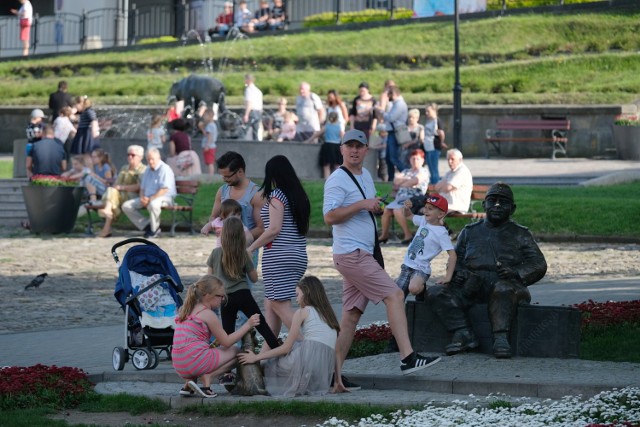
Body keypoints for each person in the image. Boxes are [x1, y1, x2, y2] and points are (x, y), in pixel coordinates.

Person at [323, 129, 441, 392]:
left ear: (366, 150)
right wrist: (361, 205)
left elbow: (363, 206)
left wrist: (373, 206)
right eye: (349, 146)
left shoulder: (364, 175)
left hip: (362, 253)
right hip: (351, 254)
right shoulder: (336, 180)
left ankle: (334, 377)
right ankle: (408, 358)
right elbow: (329, 217)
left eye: (359, 146)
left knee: (351, 317)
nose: (354, 150)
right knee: (395, 295)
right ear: (341, 149)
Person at [426, 182, 548, 359]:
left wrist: (515, 273)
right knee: (436, 292)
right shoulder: (469, 232)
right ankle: (463, 332)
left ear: (512, 209)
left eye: (503, 202)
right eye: (492, 201)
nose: (497, 205)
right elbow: (456, 260)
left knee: (503, 289)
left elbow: (538, 263)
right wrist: (458, 274)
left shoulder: (520, 234)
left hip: (507, 286)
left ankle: (500, 338)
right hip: (473, 285)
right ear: (484, 205)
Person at [238, 275, 339, 397]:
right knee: (293, 348)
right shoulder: (328, 315)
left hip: (305, 359)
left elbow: (285, 348)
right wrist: (338, 380)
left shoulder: (302, 312)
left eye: (297, 295)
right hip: (321, 366)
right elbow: (336, 351)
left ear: (306, 292)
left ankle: (247, 383)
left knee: (268, 364)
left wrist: (257, 357)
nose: (296, 300)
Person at [247, 155, 310, 338]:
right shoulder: (299, 196)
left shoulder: (277, 195)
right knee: (271, 304)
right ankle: (267, 356)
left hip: (278, 257)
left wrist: (251, 248)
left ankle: (309, 345)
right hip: (297, 255)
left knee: (278, 305)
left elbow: (274, 229)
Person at [172, 274, 261, 398]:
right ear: (207, 296)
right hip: (194, 361)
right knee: (238, 353)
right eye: (220, 296)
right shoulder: (207, 314)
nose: (223, 299)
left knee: (198, 351)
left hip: (179, 364)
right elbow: (227, 342)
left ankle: (188, 384)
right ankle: (208, 377)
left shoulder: (185, 310)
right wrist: (248, 324)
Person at [207, 217, 280, 358]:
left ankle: (226, 370)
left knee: (227, 332)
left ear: (223, 234)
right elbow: (254, 278)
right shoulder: (243, 253)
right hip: (243, 294)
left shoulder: (215, 253)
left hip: (225, 297)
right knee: (261, 324)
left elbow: (209, 278)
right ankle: (278, 352)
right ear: (241, 235)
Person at [398, 193, 456, 300]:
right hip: (407, 265)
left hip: (421, 269)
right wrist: (406, 208)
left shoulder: (441, 233)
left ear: (440, 214)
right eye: (425, 207)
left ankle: (422, 290)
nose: (425, 210)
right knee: (397, 297)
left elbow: (452, 255)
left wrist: (448, 277)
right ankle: (403, 315)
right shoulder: (423, 220)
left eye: (430, 209)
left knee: (414, 288)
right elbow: (408, 216)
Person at [201, 151, 264, 245]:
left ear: (240, 172)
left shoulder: (257, 194)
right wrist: (215, 227)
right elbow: (214, 217)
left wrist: (238, 239)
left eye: (227, 176)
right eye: (222, 176)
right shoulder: (222, 191)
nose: (224, 179)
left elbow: (261, 228)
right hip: (223, 249)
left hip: (246, 251)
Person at [122, 147, 176, 238]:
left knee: (153, 204)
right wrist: (142, 197)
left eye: (152, 159)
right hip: (148, 197)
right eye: (148, 159)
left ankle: (154, 230)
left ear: (158, 158)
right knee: (126, 206)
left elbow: (165, 189)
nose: (150, 161)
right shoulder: (147, 169)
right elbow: (142, 188)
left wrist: (151, 199)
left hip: (164, 197)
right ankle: (147, 226)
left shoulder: (165, 169)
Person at [378, 149, 429, 244]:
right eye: (413, 158)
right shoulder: (406, 171)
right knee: (387, 210)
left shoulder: (424, 171)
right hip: (400, 199)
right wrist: (408, 180)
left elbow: (415, 181)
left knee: (397, 210)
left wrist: (404, 182)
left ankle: (408, 235)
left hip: (415, 199)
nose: (415, 161)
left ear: (422, 160)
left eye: (417, 159)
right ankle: (384, 235)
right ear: (409, 160)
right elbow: (396, 180)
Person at [96, 145, 147, 238]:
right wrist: (117, 188)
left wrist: (121, 188)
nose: (129, 157)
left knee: (112, 193)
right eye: (128, 155)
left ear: (140, 157)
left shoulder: (143, 169)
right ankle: (107, 221)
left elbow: (140, 186)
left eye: (132, 155)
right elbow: (117, 183)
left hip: (134, 196)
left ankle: (107, 222)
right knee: (112, 191)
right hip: (119, 195)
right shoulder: (124, 168)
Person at [376, 85, 408, 182]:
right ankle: (391, 179)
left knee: (394, 158)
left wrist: (380, 111)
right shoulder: (396, 104)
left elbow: (390, 118)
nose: (387, 97)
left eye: (388, 95)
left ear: (393, 94)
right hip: (392, 133)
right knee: (388, 158)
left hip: (396, 133)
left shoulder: (399, 104)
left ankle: (407, 174)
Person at [434, 148, 473, 214]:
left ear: (460, 160)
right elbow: (436, 187)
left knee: (430, 210)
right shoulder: (449, 172)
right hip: (447, 204)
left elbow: (447, 188)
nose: (450, 161)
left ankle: (437, 224)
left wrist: (444, 185)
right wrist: (445, 185)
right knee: (424, 208)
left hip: (457, 206)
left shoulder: (462, 171)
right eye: (448, 159)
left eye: (452, 159)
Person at [306, 111, 344, 178]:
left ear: (328, 118)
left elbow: (317, 134)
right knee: (337, 165)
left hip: (328, 146)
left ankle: (327, 180)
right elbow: (343, 137)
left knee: (326, 165)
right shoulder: (339, 127)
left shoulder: (326, 126)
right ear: (337, 118)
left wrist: (308, 141)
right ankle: (338, 179)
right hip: (336, 147)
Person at [424, 103, 445, 185]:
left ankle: (436, 185)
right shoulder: (429, 120)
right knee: (430, 168)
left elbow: (441, 133)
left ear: (434, 110)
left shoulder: (437, 121)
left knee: (434, 168)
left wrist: (442, 142)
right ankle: (433, 184)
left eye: (428, 111)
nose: (426, 113)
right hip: (428, 146)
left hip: (434, 146)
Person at [24, 108, 45, 177]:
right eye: (40, 118)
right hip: (35, 146)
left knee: (29, 163)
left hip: (29, 145)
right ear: (36, 118)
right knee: (35, 162)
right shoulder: (35, 126)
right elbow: (37, 135)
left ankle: (29, 176)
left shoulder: (29, 125)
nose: (42, 120)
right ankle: (34, 176)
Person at [243, 74, 263, 141]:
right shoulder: (258, 91)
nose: (244, 81)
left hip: (252, 112)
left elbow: (249, 103)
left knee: (245, 129)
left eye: (245, 79)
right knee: (255, 131)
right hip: (258, 113)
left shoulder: (249, 90)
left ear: (248, 80)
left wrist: (246, 115)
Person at [200, 109, 218, 175]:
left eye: (205, 115)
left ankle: (211, 176)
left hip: (209, 146)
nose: (204, 117)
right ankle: (211, 174)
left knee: (210, 162)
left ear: (210, 116)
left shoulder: (210, 125)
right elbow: (206, 134)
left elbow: (209, 136)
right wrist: (202, 128)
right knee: (209, 162)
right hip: (211, 146)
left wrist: (207, 145)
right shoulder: (212, 125)